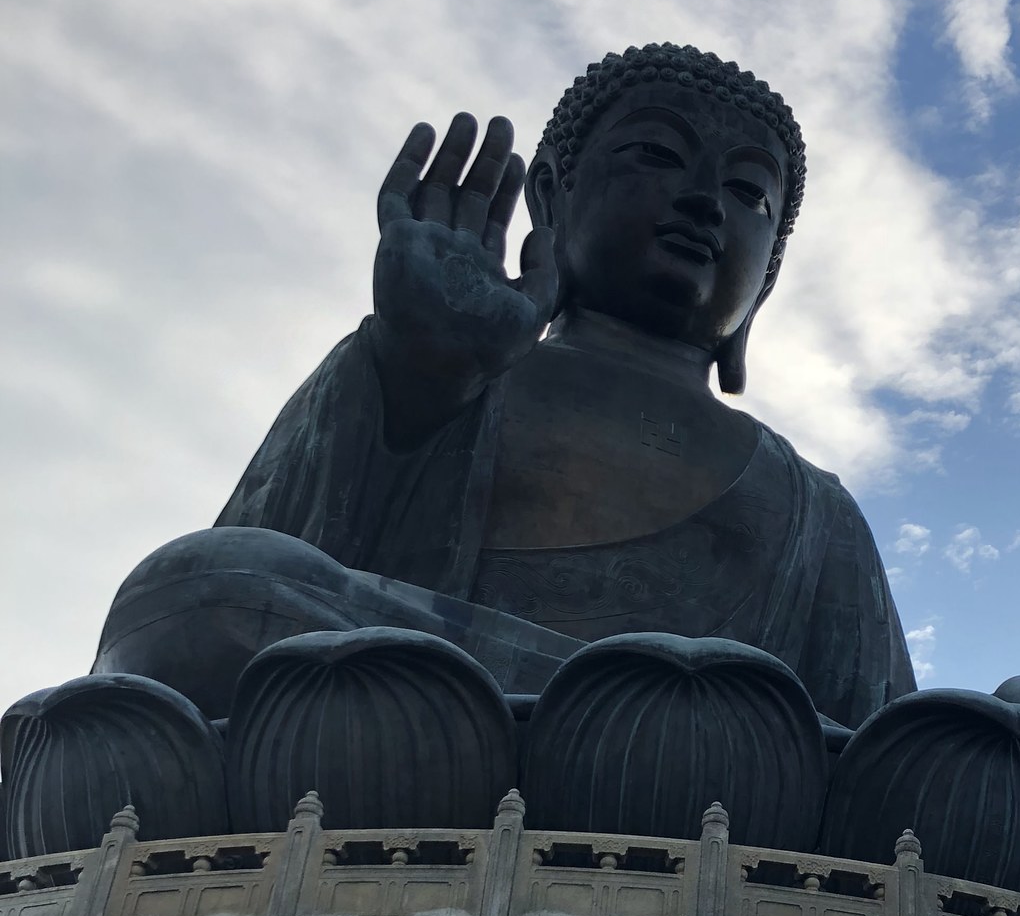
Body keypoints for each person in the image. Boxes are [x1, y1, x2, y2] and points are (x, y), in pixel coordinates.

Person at [93, 46, 914, 729]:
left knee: (1010, 746)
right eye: (658, 155)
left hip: (715, 762)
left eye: (749, 194)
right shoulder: (435, 361)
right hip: (416, 719)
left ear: (766, 278)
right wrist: (421, 376)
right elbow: (241, 594)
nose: (704, 202)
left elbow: (884, 750)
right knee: (196, 592)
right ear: (552, 196)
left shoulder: (816, 509)